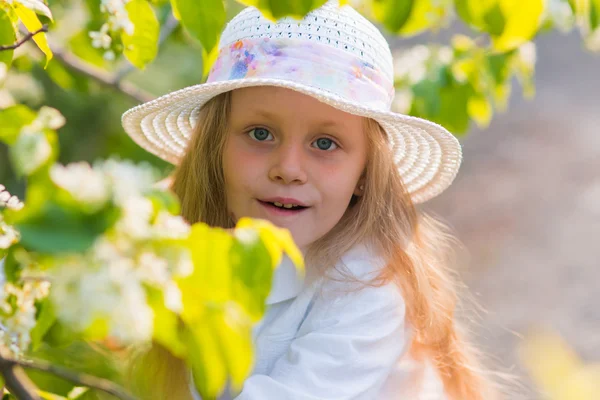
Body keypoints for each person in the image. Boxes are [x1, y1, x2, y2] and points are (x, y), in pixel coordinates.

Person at [121, 1, 498, 399]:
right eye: (260, 133)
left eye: (324, 143)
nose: (288, 168)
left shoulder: (367, 285)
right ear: (216, 147)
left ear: (364, 174)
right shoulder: (177, 242)